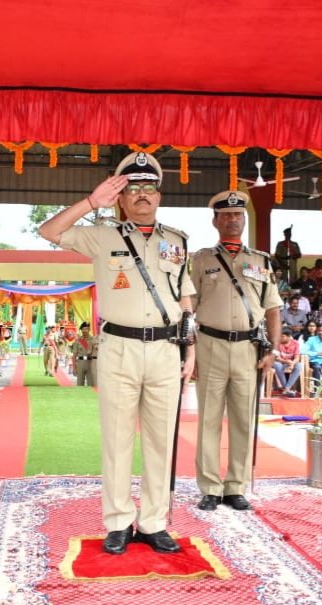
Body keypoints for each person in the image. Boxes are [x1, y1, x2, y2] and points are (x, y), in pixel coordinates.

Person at [39, 152, 196, 555]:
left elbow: (185, 299)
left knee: (162, 441)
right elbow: (50, 230)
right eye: (133, 189)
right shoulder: (102, 235)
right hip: (119, 348)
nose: (143, 195)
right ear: (121, 197)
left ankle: (154, 522)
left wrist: (190, 347)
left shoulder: (176, 241)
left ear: (160, 196)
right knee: (117, 438)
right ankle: (118, 521)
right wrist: (92, 203)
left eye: (150, 188)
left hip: (165, 348)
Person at [190, 189, 282, 511]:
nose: (233, 220)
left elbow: (272, 309)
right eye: (226, 215)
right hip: (209, 346)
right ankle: (210, 488)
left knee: (244, 420)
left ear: (244, 219)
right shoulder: (200, 260)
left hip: (248, 350)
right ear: (215, 221)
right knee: (208, 420)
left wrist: (271, 349)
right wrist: (189, 352)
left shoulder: (260, 261)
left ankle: (236, 486)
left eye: (238, 215)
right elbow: (188, 307)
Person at [272, 327, 302, 397]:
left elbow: (297, 358)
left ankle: (286, 388)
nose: (280, 338)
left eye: (282, 336)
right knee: (276, 364)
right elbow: (277, 358)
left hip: (291, 363)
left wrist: (292, 363)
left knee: (299, 365)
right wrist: (285, 361)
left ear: (289, 337)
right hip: (281, 363)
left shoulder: (295, 343)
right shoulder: (278, 343)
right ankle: (287, 389)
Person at [70, 321, 98, 386]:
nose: (84, 331)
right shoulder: (78, 341)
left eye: (86, 329)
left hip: (90, 363)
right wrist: (74, 368)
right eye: (83, 329)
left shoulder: (93, 339)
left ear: (89, 330)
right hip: (80, 363)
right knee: (80, 384)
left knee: (91, 384)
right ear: (81, 330)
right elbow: (74, 356)